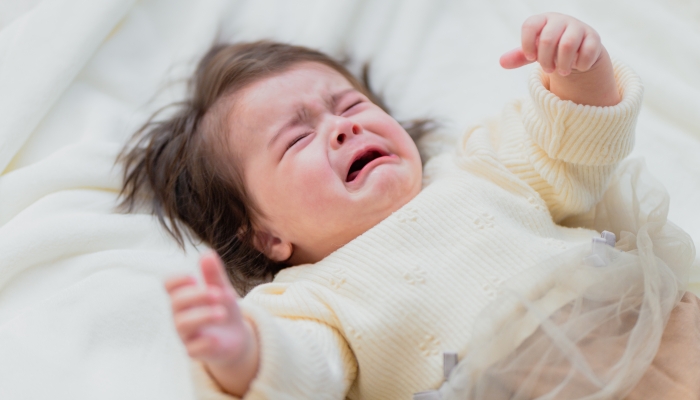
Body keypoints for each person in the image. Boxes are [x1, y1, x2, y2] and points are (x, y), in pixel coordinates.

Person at [119, 12, 688, 399]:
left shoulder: (477, 168)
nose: (340, 128)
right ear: (265, 235)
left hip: (648, 331)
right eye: (296, 141)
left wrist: (581, 70)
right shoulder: (312, 299)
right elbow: (301, 371)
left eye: (348, 105)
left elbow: (572, 145)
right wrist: (242, 351)